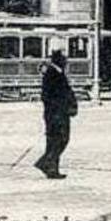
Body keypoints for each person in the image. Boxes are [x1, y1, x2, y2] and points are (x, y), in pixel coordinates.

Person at [35, 50, 78, 179]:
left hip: (58, 113)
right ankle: (45, 163)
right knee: (60, 139)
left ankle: (52, 169)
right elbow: (47, 96)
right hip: (57, 114)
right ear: (58, 60)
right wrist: (62, 108)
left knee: (55, 141)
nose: (66, 62)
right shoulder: (52, 74)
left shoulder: (57, 72)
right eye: (64, 60)